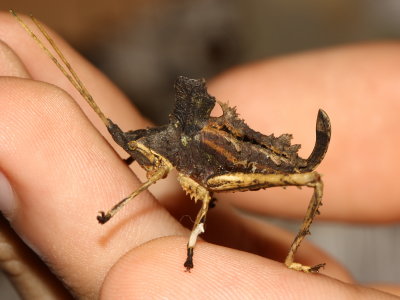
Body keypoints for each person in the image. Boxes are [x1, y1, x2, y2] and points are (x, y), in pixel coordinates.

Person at [0, 12, 399, 299]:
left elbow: (200, 192)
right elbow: (144, 151)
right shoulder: (157, 145)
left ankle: (293, 258)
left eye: (136, 150)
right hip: (198, 158)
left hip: (232, 165)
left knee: (310, 178)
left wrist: (118, 210)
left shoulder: (177, 150)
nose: (135, 151)